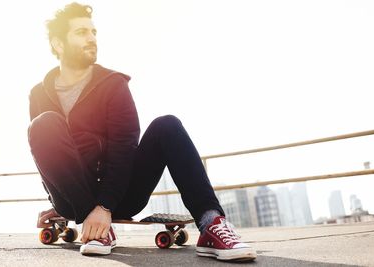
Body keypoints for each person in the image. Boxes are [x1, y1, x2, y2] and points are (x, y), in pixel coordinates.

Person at [28, 2, 256, 261]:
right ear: (58, 44)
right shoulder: (39, 94)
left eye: (93, 32)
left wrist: (104, 206)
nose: (91, 38)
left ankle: (211, 224)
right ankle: (94, 226)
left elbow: (124, 147)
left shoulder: (113, 85)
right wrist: (59, 200)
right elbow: (45, 155)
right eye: (81, 32)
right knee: (43, 125)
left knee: (167, 125)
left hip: (121, 195)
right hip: (72, 200)